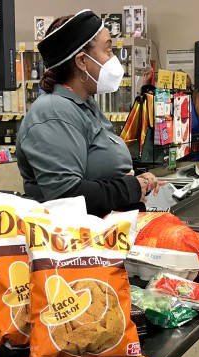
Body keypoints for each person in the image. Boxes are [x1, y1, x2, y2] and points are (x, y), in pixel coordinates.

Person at [16, 10, 159, 216]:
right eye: (108, 51)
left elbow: (99, 169)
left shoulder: (85, 105)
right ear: (82, 61)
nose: (113, 59)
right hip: (77, 240)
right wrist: (131, 187)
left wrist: (138, 179)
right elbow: (66, 194)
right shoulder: (53, 112)